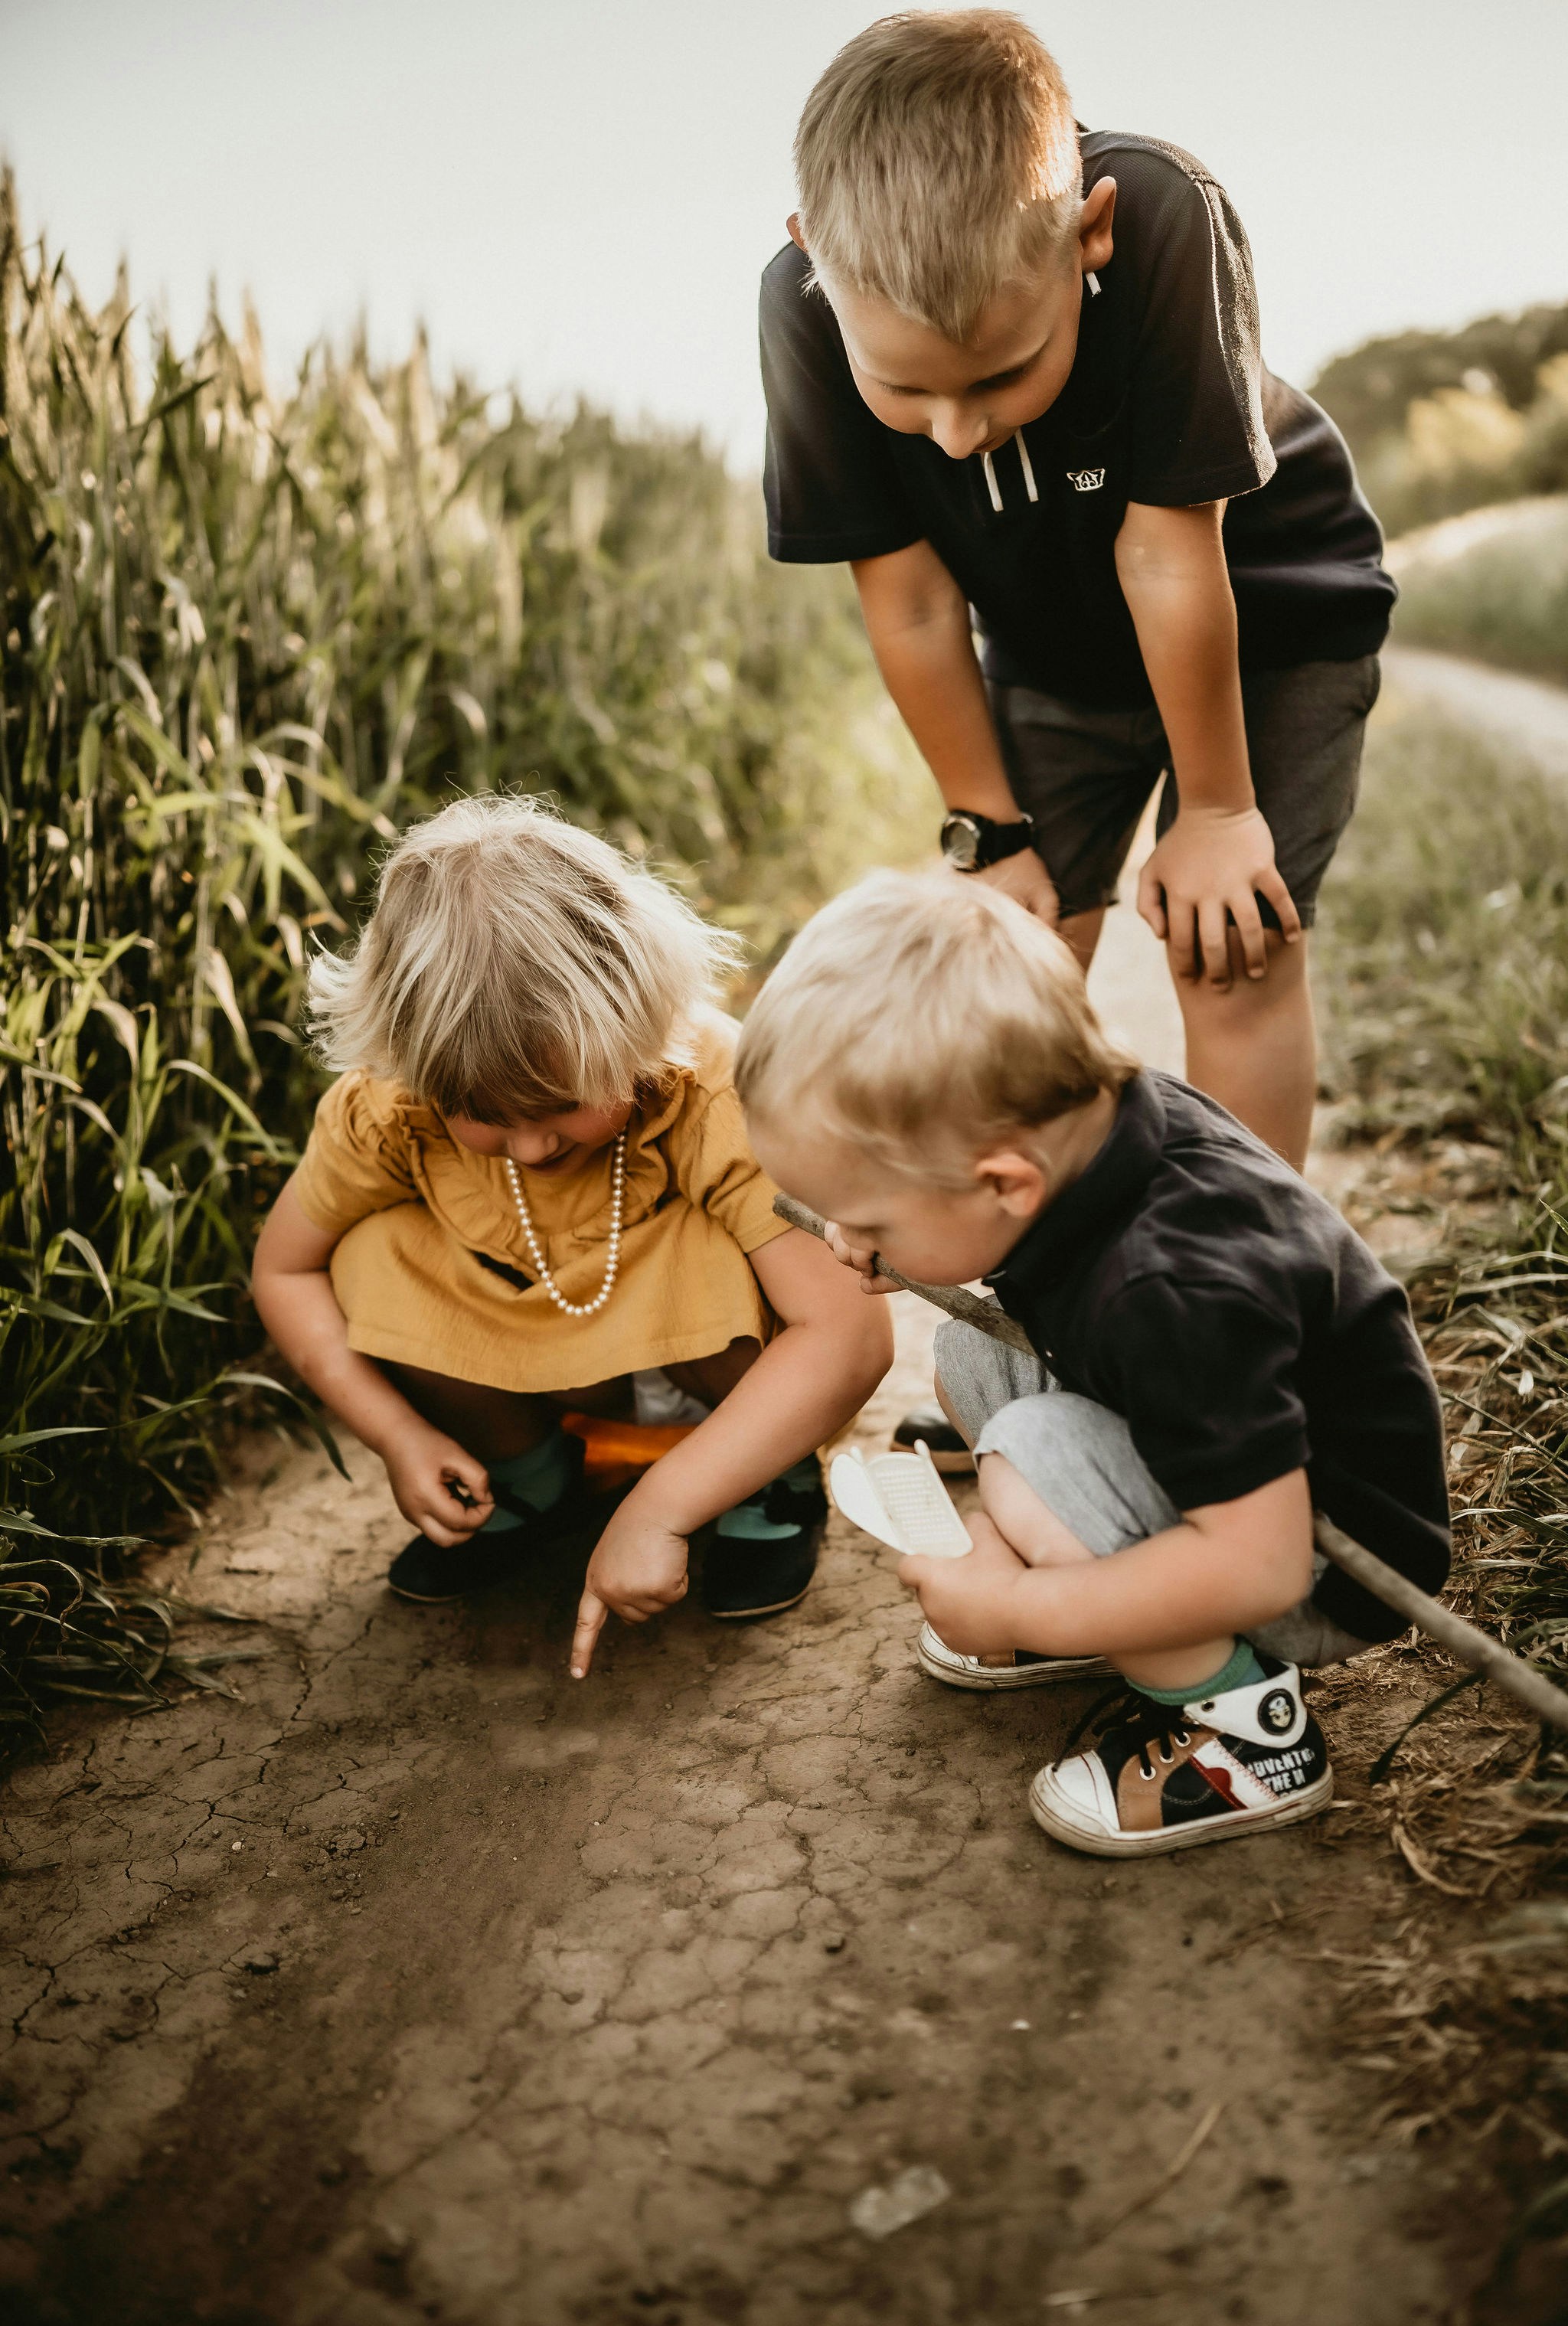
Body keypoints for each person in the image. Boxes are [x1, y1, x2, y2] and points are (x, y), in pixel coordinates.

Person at [760, 9, 1392, 1179]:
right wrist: (991, 828)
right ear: (814, 262)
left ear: (1086, 233)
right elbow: (907, 601)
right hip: (1057, 654)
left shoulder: (1159, 209)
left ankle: (1244, 1269)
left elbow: (1167, 552)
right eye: (906, 389)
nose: (955, 433)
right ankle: (1060, 1275)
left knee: (1230, 944)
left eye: (1000, 375)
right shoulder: (800, 310)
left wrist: (1213, 816)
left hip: (1270, 620)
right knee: (1018, 948)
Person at [735, 871, 1449, 1857]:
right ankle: (1107, 1597)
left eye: (870, 1221)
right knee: (969, 1356)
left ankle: (1243, 1733)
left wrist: (1020, 1600)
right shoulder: (1096, 1135)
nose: (847, 1243)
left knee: (1028, 1450)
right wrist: (913, 1238)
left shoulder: (1173, 1292)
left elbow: (1260, 1561)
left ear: (1002, 1183)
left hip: (1318, 1568)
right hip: (1227, 1467)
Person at [251, 797, 892, 1677]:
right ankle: (529, 1475)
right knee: (368, 1250)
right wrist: (398, 1434)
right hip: (549, 1359)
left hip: (715, 1378)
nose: (531, 1145)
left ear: (635, 1022)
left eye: (560, 1106)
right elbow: (284, 1271)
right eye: (481, 1116)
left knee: (734, 1246)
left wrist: (657, 1511)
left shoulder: (715, 1093)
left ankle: (760, 1477)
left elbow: (850, 1336)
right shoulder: (388, 1108)